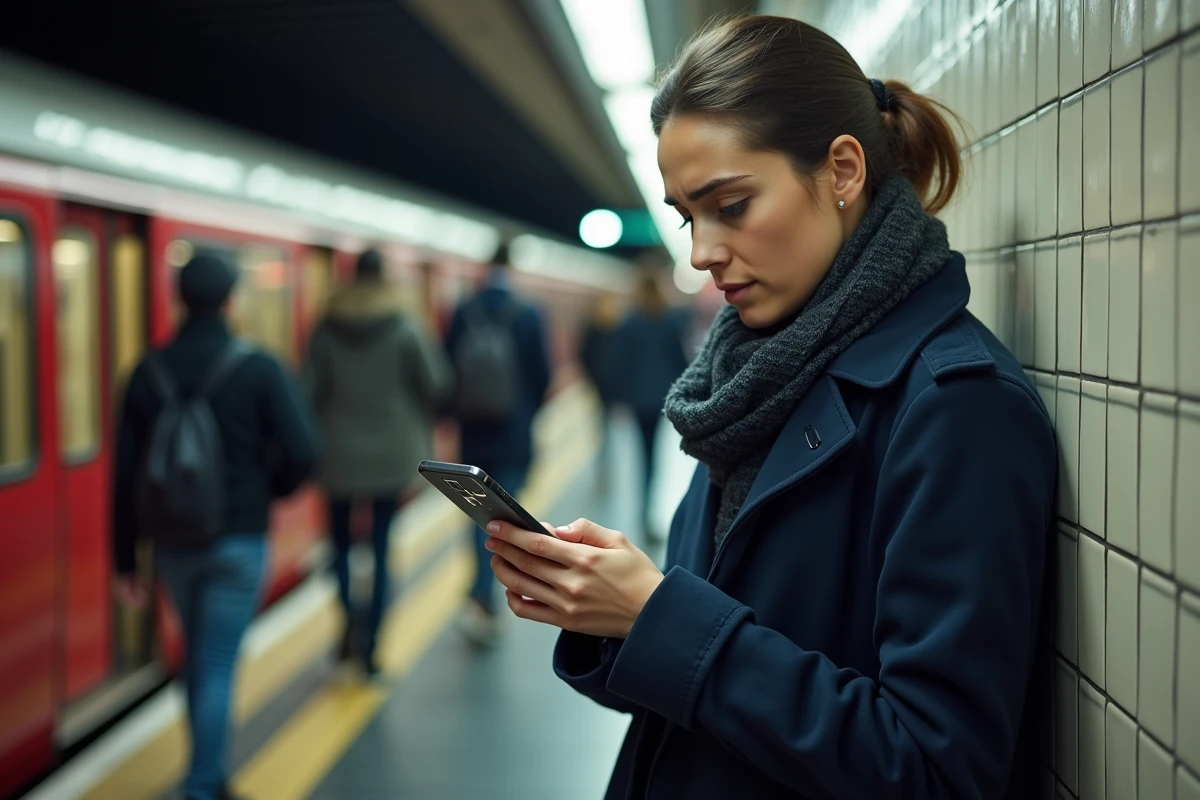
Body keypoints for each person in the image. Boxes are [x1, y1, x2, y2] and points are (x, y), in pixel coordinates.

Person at [478, 15, 1056, 800]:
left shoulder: (958, 409)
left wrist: (658, 616)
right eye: (689, 216)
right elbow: (699, 673)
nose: (701, 252)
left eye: (732, 205)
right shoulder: (753, 377)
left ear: (843, 170)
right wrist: (603, 609)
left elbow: (935, 769)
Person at [113, 252, 319, 800]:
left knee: (196, 659)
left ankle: (208, 775)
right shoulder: (258, 367)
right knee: (216, 663)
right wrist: (263, 492)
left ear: (180, 299)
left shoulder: (146, 372)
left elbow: (125, 476)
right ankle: (203, 784)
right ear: (232, 300)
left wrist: (125, 560)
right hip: (238, 540)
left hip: (173, 543)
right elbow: (303, 452)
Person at [303, 248, 450, 674]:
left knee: (341, 548)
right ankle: (372, 649)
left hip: (337, 455)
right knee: (382, 550)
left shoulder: (326, 328)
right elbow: (437, 382)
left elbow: (308, 389)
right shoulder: (405, 326)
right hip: (391, 455)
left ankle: (350, 616)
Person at [445, 243, 551, 645]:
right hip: (514, 431)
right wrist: (525, 410)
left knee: (475, 513)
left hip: (474, 434)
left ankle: (478, 595)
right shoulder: (528, 313)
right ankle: (493, 593)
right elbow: (542, 376)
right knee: (508, 516)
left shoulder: (464, 310)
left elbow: (448, 369)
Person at [613, 270, 691, 539]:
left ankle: (641, 512)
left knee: (642, 457)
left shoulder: (629, 321)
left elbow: (620, 363)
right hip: (660, 397)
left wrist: (619, 399)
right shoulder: (669, 319)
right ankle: (650, 516)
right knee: (654, 458)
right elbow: (679, 360)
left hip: (636, 399)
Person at [578, 291, 624, 489]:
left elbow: (584, 356)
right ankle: (607, 465)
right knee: (607, 428)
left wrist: (592, 377)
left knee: (601, 427)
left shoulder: (591, 327)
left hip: (598, 385)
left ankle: (602, 467)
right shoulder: (618, 327)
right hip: (613, 386)